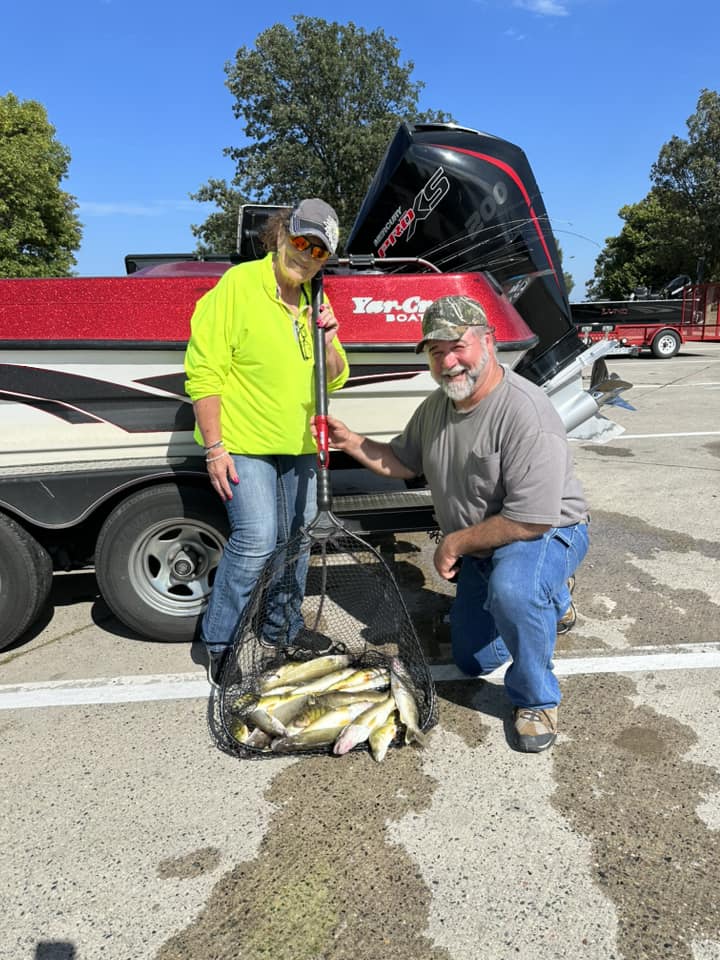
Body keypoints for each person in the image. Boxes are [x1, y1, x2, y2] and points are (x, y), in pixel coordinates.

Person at [317, 294, 589, 752]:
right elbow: (401, 461)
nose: (448, 361)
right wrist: (351, 442)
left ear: (488, 341)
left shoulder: (525, 410)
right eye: (436, 352)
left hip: (545, 531)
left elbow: (532, 517)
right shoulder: (436, 407)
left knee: (516, 592)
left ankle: (537, 699)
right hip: (485, 547)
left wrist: (454, 544)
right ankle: (552, 595)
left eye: (457, 346)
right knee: (472, 660)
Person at [184, 198, 349, 686]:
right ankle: (220, 640)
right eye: (300, 242)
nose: (306, 256)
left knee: (295, 541)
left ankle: (281, 628)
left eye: (319, 252)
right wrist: (215, 447)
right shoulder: (237, 286)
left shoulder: (318, 299)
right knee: (257, 540)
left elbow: (336, 377)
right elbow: (204, 372)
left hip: (297, 443)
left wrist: (329, 339)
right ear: (280, 234)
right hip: (243, 442)